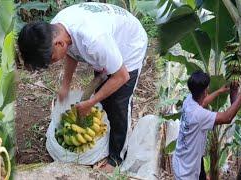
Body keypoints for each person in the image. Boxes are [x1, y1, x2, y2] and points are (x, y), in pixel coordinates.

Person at [17, 2, 148, 172]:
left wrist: (91, 102)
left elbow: (122, 76)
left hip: (129, 46)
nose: (52, 62)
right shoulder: (58, 28)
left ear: (58, 44)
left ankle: (116, 158)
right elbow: (72, 52)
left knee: (118, 104)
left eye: (51, 59)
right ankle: (109, 137)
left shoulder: (94, 39)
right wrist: (65, 84)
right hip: (109, 45)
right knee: (105, 97)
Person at [172, 70, 241, 180]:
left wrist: (219, 91)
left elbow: (203, 102)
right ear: (204, 91)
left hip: (184, 160)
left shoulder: (189, 100)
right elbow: (227, 117)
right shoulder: (199, 115)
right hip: (187, 172)